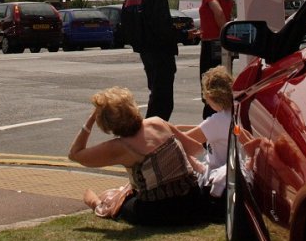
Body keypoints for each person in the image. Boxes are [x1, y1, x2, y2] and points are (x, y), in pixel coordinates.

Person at [68, 87, 209, 226]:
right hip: (193, 200)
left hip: (159, 210)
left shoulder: (120, 146)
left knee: (120, 203)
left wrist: (90, 119)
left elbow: (75, 154)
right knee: (127, 191)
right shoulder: (157, 122)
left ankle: (96, 203)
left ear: (106, 124)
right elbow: (195, 148)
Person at [121, 0, 178, 120]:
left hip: (145, 52)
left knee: (156, 93)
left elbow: (125, 25)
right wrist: (182, 36)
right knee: (163, 101)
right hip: (161, 53)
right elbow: (163, 27)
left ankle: (150, 133)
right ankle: (151, 135)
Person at [178, 66, 234, 201]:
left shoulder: (216, 121)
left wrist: (170, 130)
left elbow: (184, 141)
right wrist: (179, 128)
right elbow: (205, 129)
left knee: (178, 150)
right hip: (232, 174)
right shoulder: (235, 112)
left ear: (209, 96)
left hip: (215, 177)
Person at [190, 0, 234, 118]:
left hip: (212, 45)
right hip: (221, 45)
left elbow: (219, 12)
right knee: (222, 86)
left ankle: (210, 126)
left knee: (209, 89)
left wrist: (222, 33)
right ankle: (223, 121)